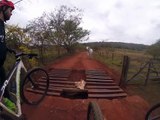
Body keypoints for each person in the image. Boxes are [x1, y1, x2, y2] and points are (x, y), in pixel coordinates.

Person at [0, 0, 16, 111]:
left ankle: (9, 108)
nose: (11, 13)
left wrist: (8, 49)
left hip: (0, 67)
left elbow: (1, 42)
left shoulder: (1, 24)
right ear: (3, 9)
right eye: (10, 10)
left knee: (5, 88)